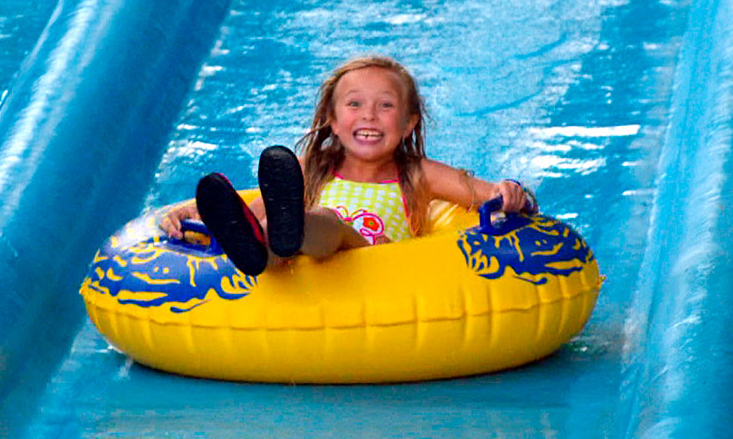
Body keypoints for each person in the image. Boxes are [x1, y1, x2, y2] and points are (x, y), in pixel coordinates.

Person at [160, 55, 537, 275]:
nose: (369, 116)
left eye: (385, 106)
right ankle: (259, 253)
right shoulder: (313, 166)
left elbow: (487, 195)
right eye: (354, 105)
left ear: (409, 123)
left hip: (370, 257)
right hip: (307, 255)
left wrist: (508, 192)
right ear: (333, 121)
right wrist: (194, 214)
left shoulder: (417, 173)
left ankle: (288, 235)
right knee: (269, 226)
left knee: (323, 221)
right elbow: (254, 210)